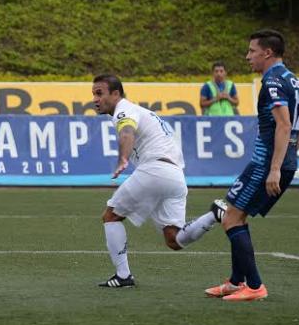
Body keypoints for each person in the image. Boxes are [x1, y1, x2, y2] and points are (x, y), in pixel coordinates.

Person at [91, 74, 223, 288]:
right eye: (94, 94)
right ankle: (214, 214)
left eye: (99, 93)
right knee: (174, 239)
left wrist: (123, 158)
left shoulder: (124, 109)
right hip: (175, 176)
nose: (95, 99)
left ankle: (123, 276)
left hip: (154, 170)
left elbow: (127, 132)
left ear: (115, 94)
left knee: (111, 216)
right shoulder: (143, 112)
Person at [204, 30, 299, 302]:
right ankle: (236, 282)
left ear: (267, 52)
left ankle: (255, 286)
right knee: (235, 215)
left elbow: (284, 125)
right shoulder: (293, 81)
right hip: (278, 161)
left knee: (231, 218)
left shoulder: (272, 81)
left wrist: (275, 168)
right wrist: (286, 160)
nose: (247, 56)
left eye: (252, 51)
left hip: (266, 163)